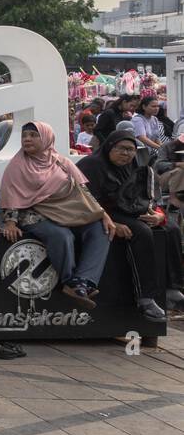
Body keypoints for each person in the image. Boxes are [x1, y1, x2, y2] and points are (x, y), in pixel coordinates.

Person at [0, 121, 113, 311]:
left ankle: (83, 281)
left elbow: (83, 192)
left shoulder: (61, 161)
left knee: (101, 229)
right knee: (61, 236)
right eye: (24, 135)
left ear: (46, 138)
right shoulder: (17, 165)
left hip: (68, 212)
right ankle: (70, 283)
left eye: (33, 135)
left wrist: (103, 215)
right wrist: (10, 222)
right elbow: (11, 194)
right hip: (34, 214)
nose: (27, 139)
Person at [77, 129, 172, 322]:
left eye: (131, 149)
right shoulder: (92, 165)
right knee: (141, 232)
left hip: (126, 211)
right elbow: (84, 202)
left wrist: (156, 215)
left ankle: (172, 288)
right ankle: (145, 297)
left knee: (170, 229)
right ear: (110, 147)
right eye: (121, 148)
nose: (126, 154)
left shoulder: (134, 166)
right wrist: (114, 222)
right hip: (96, 215)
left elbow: (142, 198)